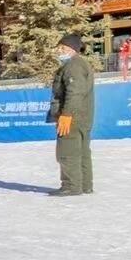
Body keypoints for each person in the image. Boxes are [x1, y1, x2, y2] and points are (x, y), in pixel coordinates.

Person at [47, 33, 95, 196]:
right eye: (59, 48)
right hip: (82, 116)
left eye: (63, 48)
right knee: (81, 152)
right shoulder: (79, 64)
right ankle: (84, 185)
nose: (59, 51)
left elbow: (74, 92)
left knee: (67, 151)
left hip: (72, 117)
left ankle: (71, 186)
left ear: (72, 49)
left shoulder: (73, 66)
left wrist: (66, 114)